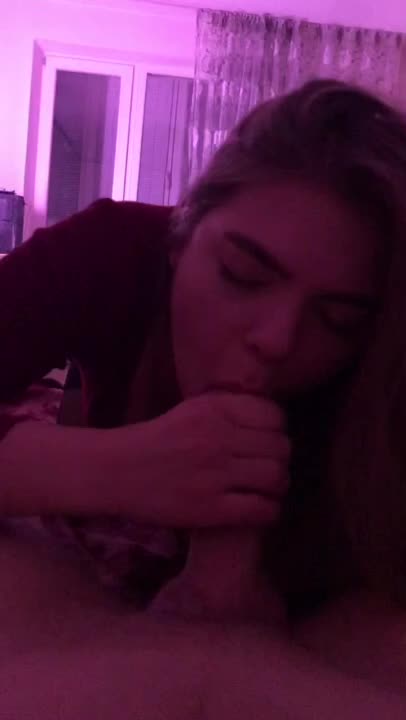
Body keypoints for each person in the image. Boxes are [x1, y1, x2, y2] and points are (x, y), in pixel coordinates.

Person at [0, 79, 405, 715]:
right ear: (182, 232)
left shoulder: (380, 365)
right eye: (243, 276)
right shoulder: (112, 250)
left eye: (337, 320)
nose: (278, 339)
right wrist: (114, 468)